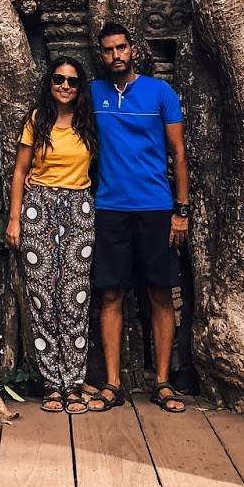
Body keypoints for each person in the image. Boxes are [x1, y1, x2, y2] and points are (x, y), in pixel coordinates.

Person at [84, 21, 189, 414]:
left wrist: (181, 211)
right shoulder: (92, 93)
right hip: (110, 209)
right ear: (102, 55)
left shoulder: (160, 92)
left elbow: (178, 154)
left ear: (133, 50)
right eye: (109, 50)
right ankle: (112, 384)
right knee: (110, 293)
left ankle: (162, 382)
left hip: (157, 209)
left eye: (122, 48)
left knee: (161, 293)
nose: (116, 56)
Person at [6, 56, 98, 414]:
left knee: (75, 298)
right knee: (43, 298)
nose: (64, 85)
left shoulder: (89, 123)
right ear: (49, 83)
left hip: (79, 209)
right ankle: (52, 385)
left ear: (79, 88)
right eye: (59, 79)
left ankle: (74, 384)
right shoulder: (37, 121)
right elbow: (20, 171)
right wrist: (14, 220)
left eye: (72, 81)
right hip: (38, 207)